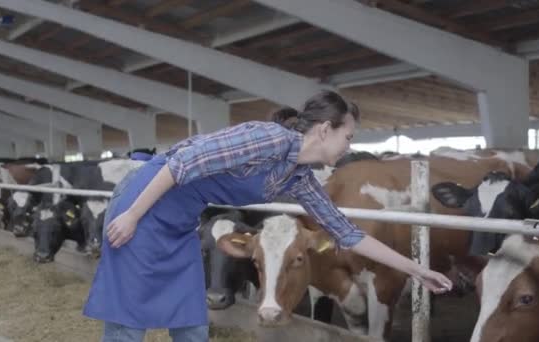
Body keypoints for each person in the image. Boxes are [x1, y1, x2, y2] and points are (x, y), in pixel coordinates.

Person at [83, 90, 453, 342]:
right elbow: (181, 164)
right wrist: (131, 214)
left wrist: (415, 269)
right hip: (146, 204)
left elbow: (347, 233)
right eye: (349, 136)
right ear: (326, 130)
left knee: (190, 319)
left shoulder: (299, 178)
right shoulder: (268, 139)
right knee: (127, 317)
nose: (350, 147)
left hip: (180, 221)